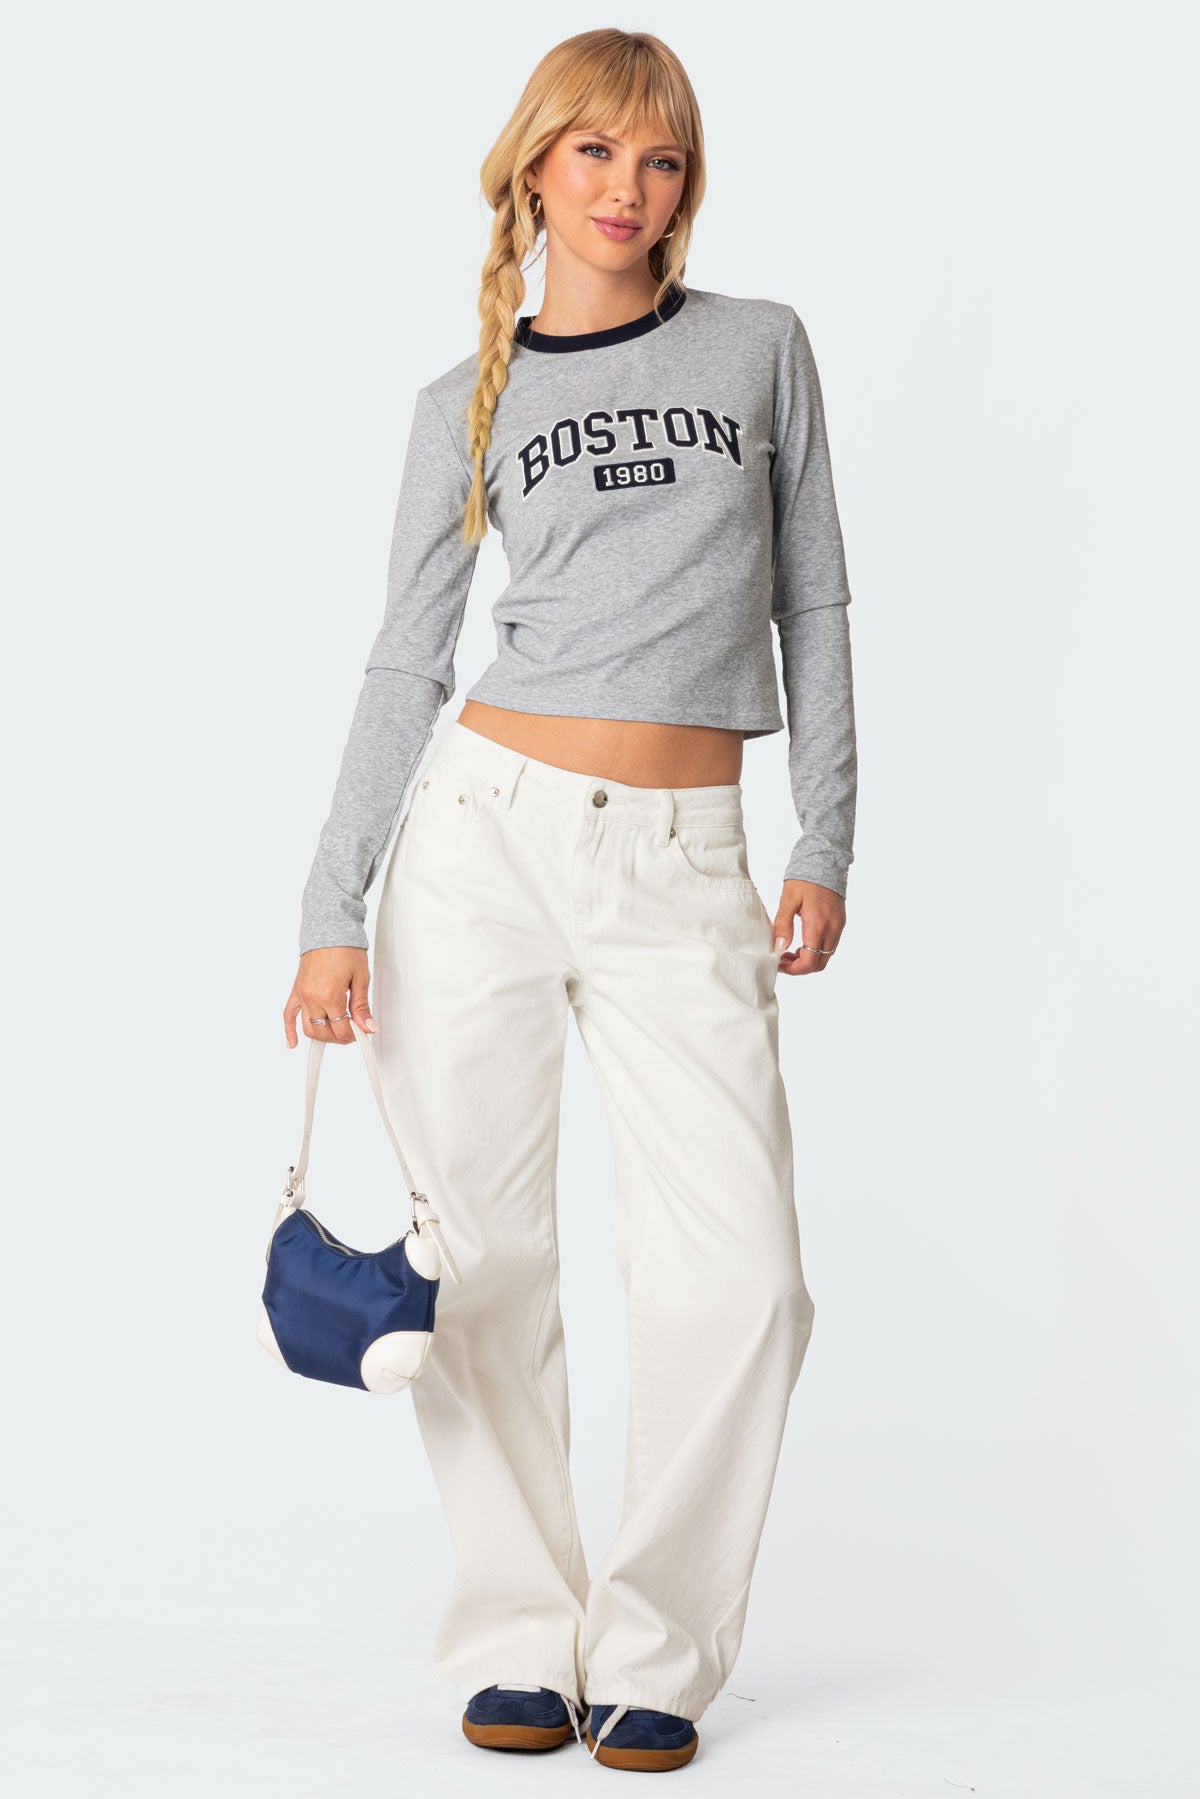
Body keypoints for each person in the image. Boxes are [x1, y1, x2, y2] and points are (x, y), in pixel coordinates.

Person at [282, 27, 857, 1775]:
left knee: (744, 1279)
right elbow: (408, 655)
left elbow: (817, 603)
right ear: (534, 167)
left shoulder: (760, 348)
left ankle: (660, 1646)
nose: (628, 187)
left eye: (660, 159)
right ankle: (521, 1635)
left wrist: (825, 836)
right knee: (483, 1261)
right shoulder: (460, 401)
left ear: (688, 187)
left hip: (687, 858)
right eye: (595, 151)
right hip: (483, 843)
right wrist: (331, 900)